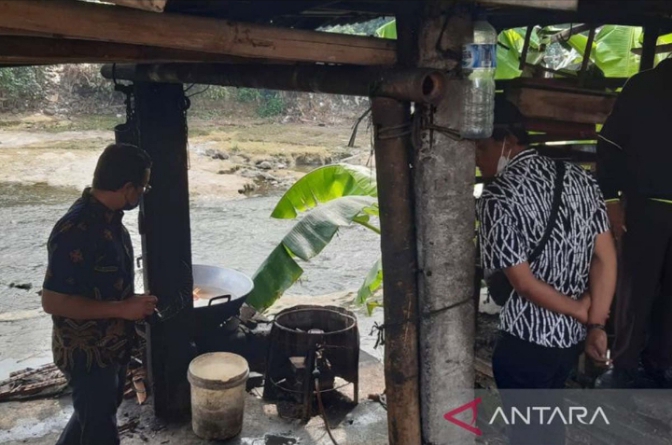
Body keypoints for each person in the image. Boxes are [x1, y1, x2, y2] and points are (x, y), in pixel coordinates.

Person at [476, 99, 617, 444]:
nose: (475, 159)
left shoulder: (497, 196)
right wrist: (594, 323)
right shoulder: (580, 179)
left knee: (528, 435)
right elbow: (606, 258)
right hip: (568, 343)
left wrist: (578, 309)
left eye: (480, 148)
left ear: (505, 141)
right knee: (548, 426)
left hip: (525, 343)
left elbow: (522, 283)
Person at [41, 143, 158, 445]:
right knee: (100, 431)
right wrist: (122, 309)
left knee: (92, 415)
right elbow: (52, 301)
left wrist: (132, 304)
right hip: (88, 355)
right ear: (127, 187)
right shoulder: (75, 229)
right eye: (142, 187)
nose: (143, 193)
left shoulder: (110, 219)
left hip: (111, 347)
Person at [595, 58, 672, 389]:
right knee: (635, 289)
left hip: (650, 206)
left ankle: (662, 362)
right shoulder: (643, 86)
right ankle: (624, 363)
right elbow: (609, 144)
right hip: (645, 205)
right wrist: (611, 199)